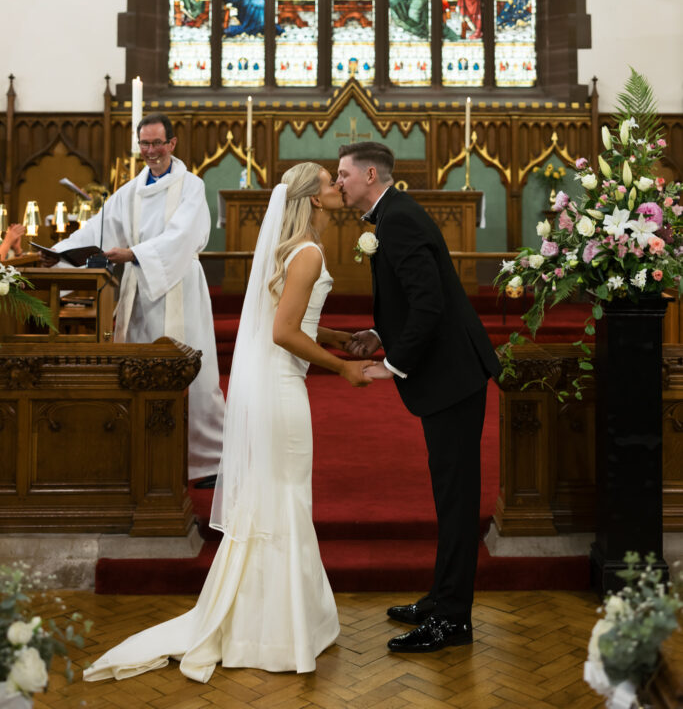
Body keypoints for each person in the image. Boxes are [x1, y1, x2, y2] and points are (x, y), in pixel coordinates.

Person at [82, 162, 378, 681]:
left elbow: (289, 319)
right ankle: (276, 628)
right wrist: (344, 368)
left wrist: (332, 337)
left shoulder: (294, 250)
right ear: (312, 200)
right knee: (285, 493)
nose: (338, 188)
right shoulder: (307, 252)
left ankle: (272, 617)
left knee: (275, 493)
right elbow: (284, 332)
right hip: (282, 384)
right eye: (330, 184)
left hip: (272, 380)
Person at [336, 141, 502, 654]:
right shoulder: (394, 215)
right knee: (448, 495)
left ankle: (452, 620)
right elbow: (418, 297)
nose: (337, 182)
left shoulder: (397, 221)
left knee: (456, 501)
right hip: (450, 375)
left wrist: (392, 363)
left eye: (342, 174)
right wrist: (380, 330)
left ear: (369, 174)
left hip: (450, 378)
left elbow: (429, 304)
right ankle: (440, 599)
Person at [41, 114, 225, 486]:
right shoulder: (130, 191)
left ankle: (208, 461)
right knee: (141, 366)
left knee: (194, 369)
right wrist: (56, 252)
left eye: (158, 143)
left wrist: (135, 254)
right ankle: (145, 448)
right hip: (141, 290)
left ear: (173, 144)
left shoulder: (190, 186)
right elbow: (98, 227)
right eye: (145, 144)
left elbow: (183, 235)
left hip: (180, 286)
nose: (151, 151)